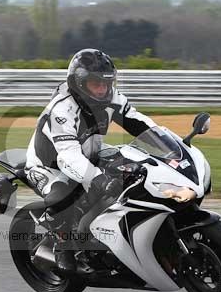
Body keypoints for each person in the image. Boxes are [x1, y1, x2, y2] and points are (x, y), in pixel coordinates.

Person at [25, 48, 159, 272]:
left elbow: (140, 124)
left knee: (136, 169)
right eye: (95, 83)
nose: (102, 89)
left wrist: (174, 144)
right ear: (78, 83)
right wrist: (98, 179)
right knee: (64, 194)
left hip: (89, 153)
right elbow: (68, 156)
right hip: (50, 165)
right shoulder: (62, 110)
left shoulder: (111, 97)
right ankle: (62, 246)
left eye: (106, 83)